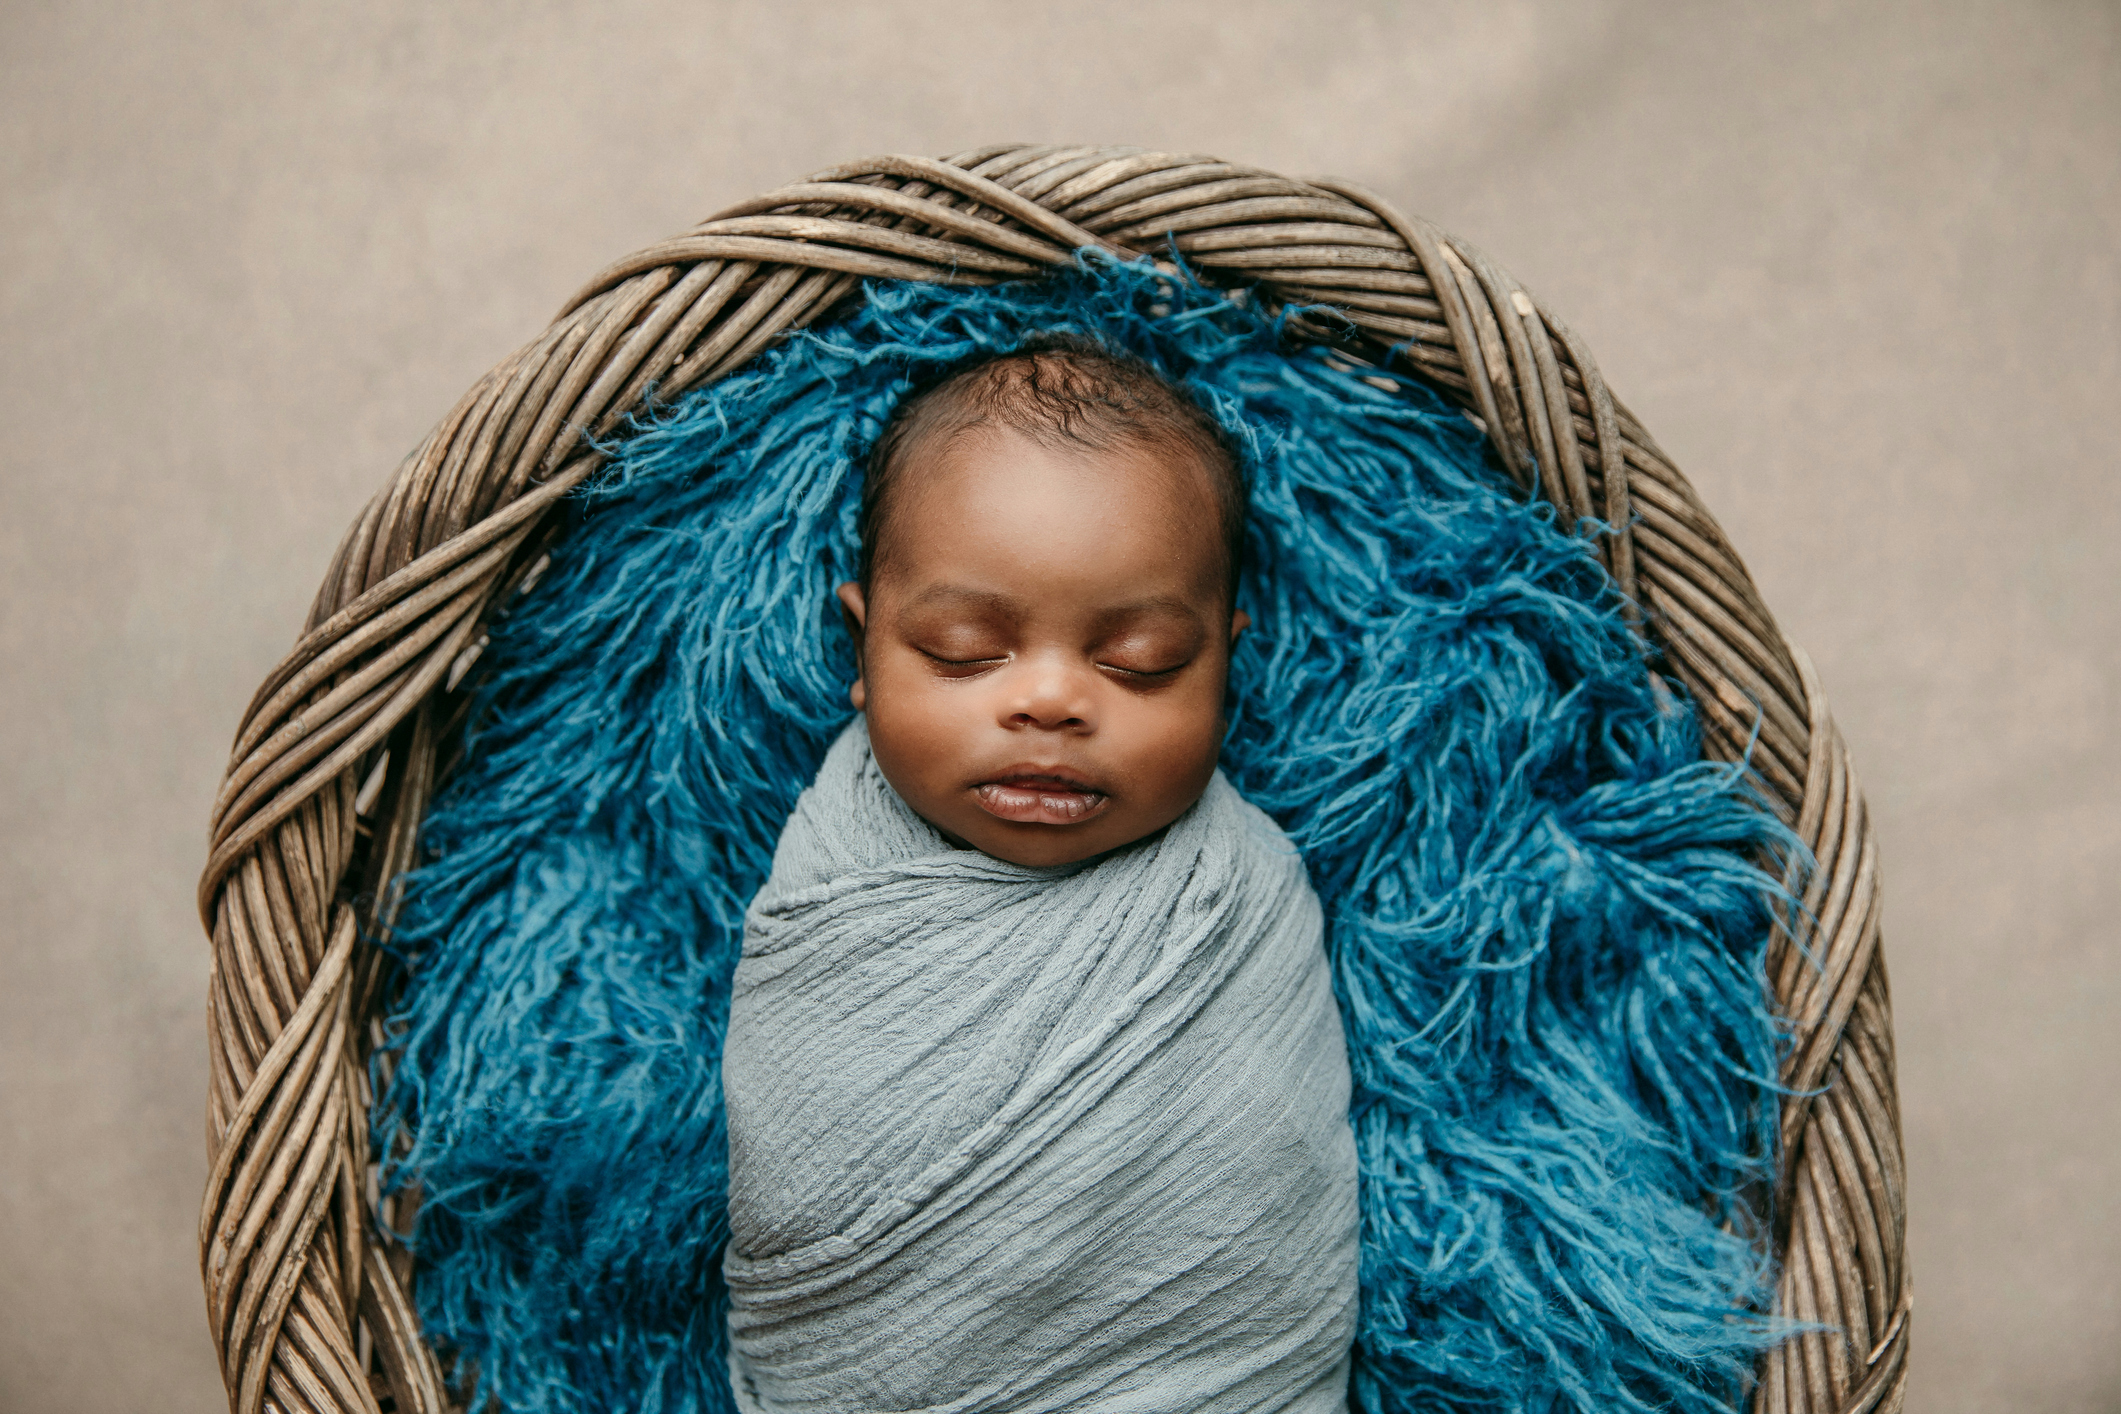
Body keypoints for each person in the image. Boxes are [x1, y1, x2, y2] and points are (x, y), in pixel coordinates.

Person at [718, 339, 1362, 1413]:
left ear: (1225, 661)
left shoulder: (1239, 898)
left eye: (1142, 660)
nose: (1052, 701)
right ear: (862, 648)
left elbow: (1265, 1205)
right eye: (968, 649)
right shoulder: (834, 879)